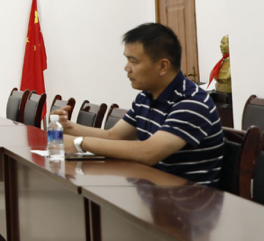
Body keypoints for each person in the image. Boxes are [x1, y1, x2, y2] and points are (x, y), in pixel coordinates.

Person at [57, 23, 224, 186]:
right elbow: (113, 135)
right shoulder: (146, 96)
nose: (126, 68)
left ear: (162, 66)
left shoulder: (192, 102)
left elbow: (149, 152)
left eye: (133, 61)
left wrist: (79, 143)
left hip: (188, 199)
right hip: (152, 190)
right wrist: (67, 126)